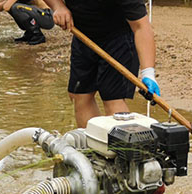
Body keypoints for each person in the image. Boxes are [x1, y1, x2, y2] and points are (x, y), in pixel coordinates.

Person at [43, 0, 160, 128]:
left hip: (119, 37)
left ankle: (121, 147)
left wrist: (148, 73)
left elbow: (141, 26)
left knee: (113, 99)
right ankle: (92, 145)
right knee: (80, 96)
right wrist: (58, 6)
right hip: (83, 34)